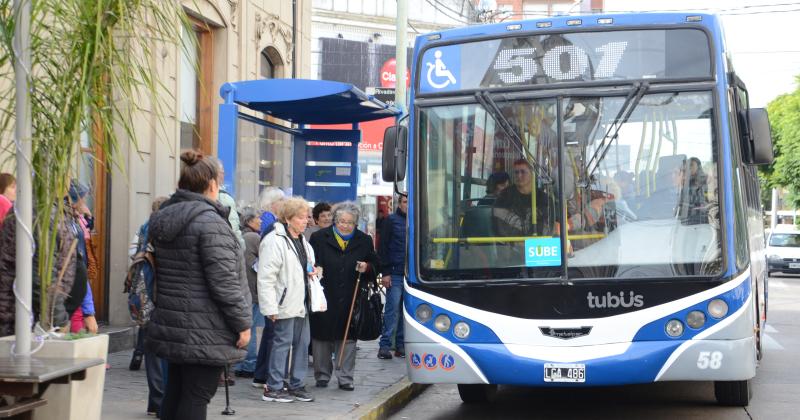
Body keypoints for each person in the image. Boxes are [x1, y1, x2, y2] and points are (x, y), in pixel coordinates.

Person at [145, 150, 252, 420]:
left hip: (174, 321)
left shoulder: (165, 217)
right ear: (212, 184)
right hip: (206, 327)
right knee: (196, 396)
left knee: (176, 391)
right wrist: (242, 323)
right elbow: (225, 282)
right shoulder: (210, 223)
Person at [309, 202, 379, 391]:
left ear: (355, 223)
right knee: (321, 336)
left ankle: (345, 377)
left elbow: (374, 262)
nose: (345, 225)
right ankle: (322, 374)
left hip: (351, 294)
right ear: (335, 220)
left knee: (348, 336)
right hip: (324, 293)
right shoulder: (319, 238)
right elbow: (310, 261)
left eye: (349, 222)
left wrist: (367, 267)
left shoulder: (364, 240)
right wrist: (314, 269)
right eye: (341, 221)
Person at [258, 196, 319, 403]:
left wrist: (314, 272)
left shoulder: (303, 242)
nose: (306, 221)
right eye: (301, 217)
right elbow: (266, 277)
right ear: (289, 218)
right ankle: (273, 386)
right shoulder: (274, 240)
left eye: (306, 217)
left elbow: (307, 268)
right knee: (282, 343)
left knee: (302, 343)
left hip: (302, 300)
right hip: (284, 301)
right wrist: (270, 307)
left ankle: (297, 384)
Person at [127, 196, 169, 416]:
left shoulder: (145, 226)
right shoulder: (163, 230)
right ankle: (161, 400)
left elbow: (132, 255)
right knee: (162, 350)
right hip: (159, 294)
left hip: (144, 294)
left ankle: (155, 400)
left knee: (153, 349)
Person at [234, 207, 264, 379]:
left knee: (245, 327)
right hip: (253, 291)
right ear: (250, 221)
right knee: (254, 328)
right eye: (258, 218)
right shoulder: (253, 237)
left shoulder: (241, 236)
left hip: (244, 290)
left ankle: (240, 363)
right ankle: (250, 364)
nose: (260, 220)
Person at [378, 194, 408, 360]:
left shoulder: (417, 219)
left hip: (411, 275)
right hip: (395, 272)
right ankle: (385, 345)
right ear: (398, 204)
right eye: (404, 202)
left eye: (410, 202)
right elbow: (383, 247)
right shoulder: (391, 220)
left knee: (405, 312)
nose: (407, 205)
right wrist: (386, 272)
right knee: (392, 310)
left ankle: (400, 346)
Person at [66, 180, 98, 334]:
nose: (84, 201)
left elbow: (88, 226)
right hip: (74, 281)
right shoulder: (70, 222)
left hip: (79, 277)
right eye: (83, 198)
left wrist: (89, 215)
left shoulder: (75, 218)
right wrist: (88, 311)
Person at [492, 159, 551, 237]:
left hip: (537, 244)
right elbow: (499, 224)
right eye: (516, 172)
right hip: (509, 244)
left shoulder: (542, 197)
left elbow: (549, 224)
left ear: (532, 174)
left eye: (523, 172)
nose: (519, 176)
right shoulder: (505, 196)